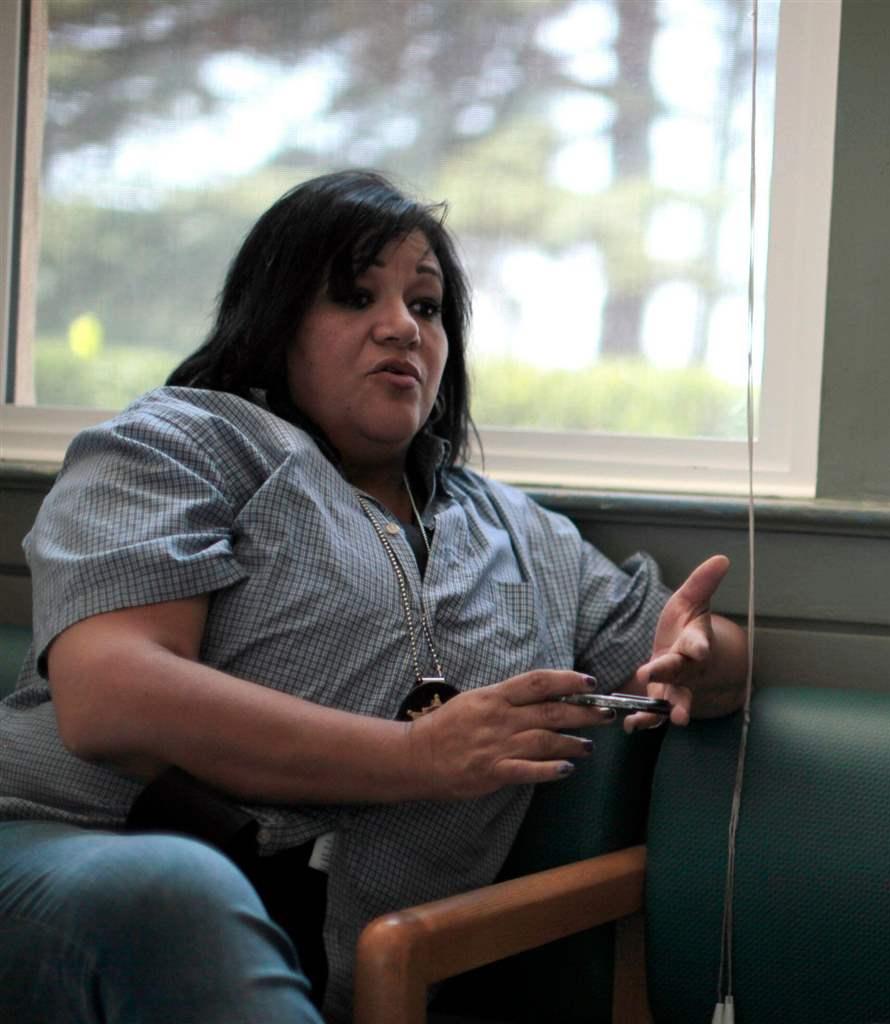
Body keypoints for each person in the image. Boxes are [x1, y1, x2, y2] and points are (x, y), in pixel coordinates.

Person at [0, 170, 748, 1023]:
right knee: (175, 892)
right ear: (277, 322)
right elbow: (112, 700)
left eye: (426, 308)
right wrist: (417, 760)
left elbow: (682, 662)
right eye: (356, 297)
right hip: (71, 851)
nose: (401, 327)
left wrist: (708, 657)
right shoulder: (182, 442)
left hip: (353, 960)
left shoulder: (526, 536)